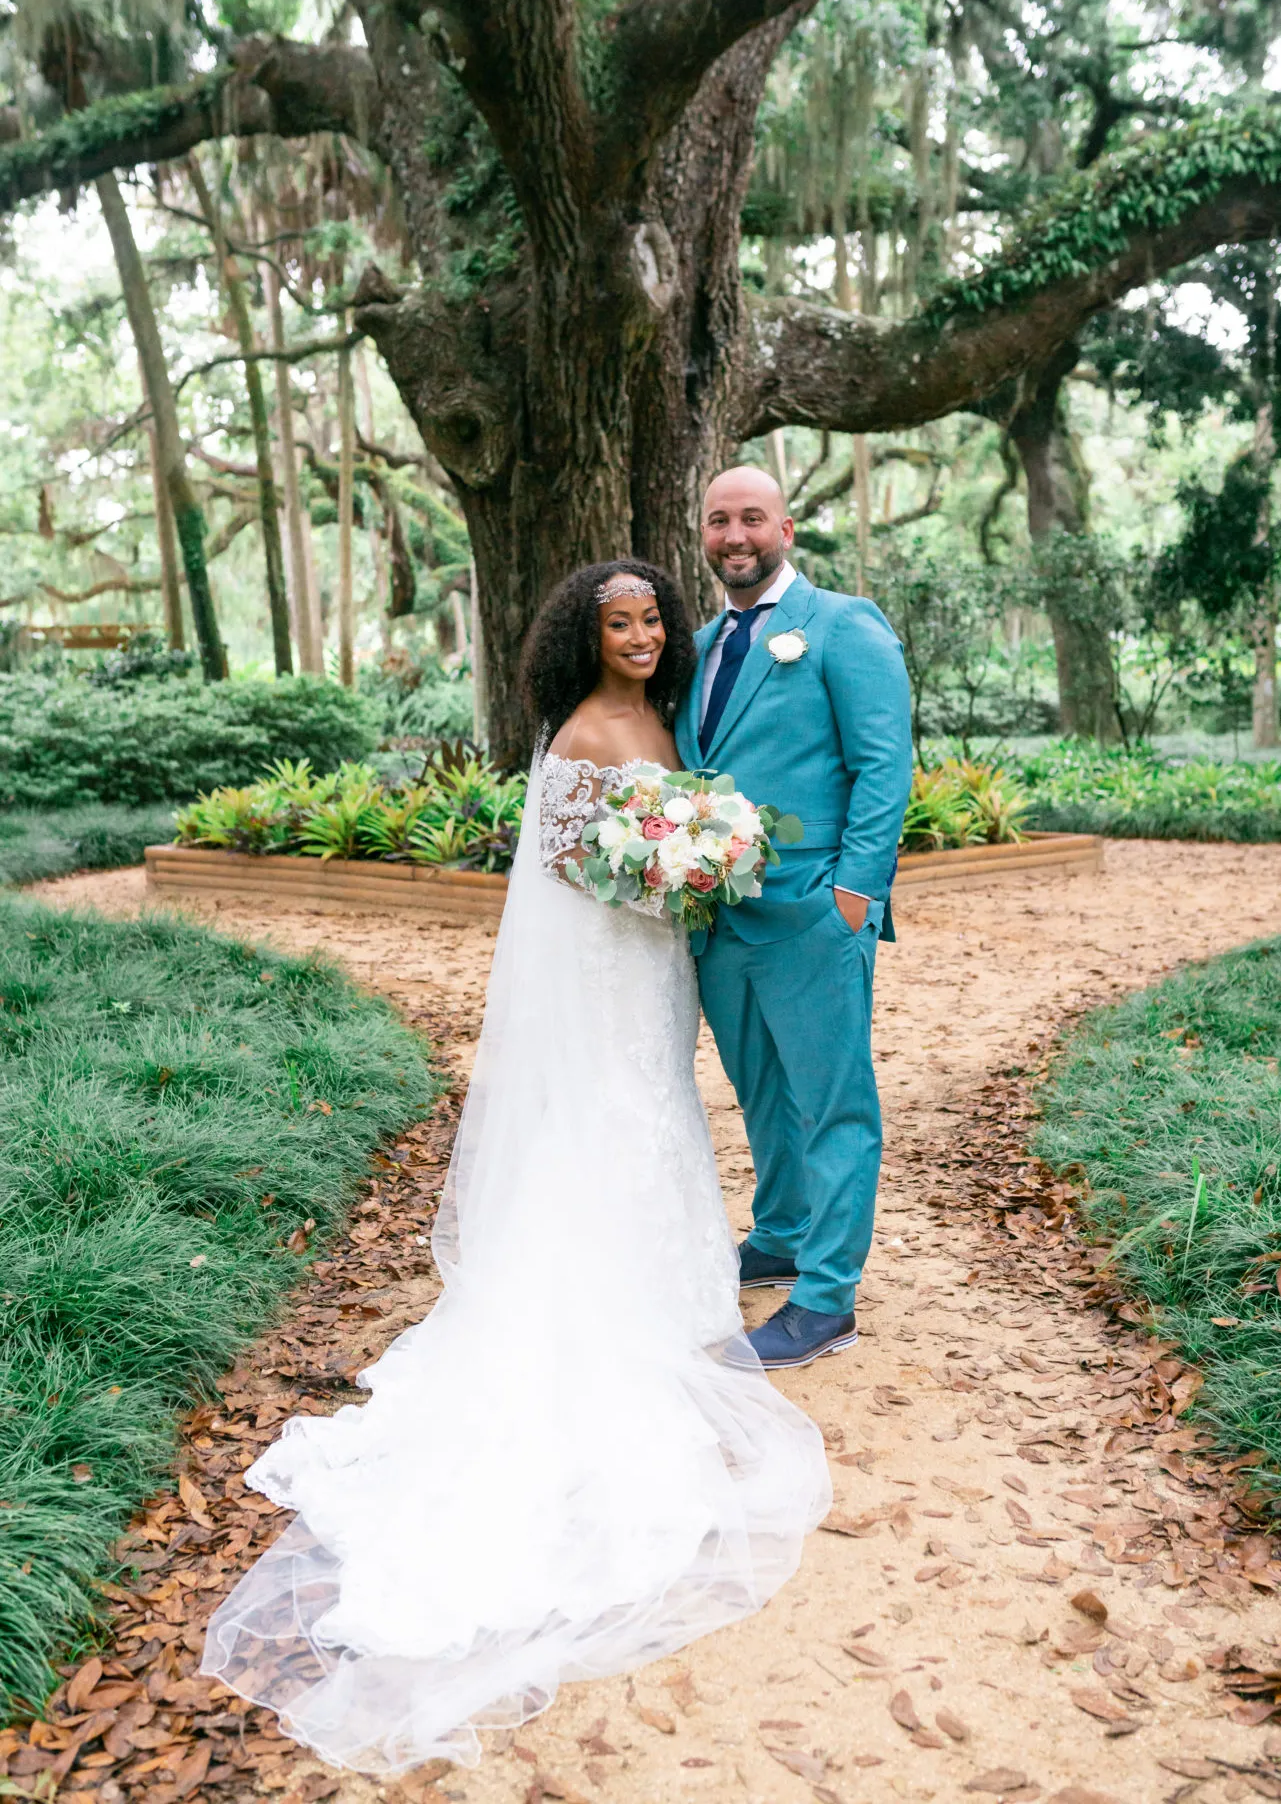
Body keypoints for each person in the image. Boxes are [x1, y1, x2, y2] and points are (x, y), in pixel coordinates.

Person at [201, 558, 831, 1776]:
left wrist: (692, 858)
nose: (641, 634)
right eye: (619, 621)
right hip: (604, 978)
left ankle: (671, 1302)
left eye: (652, 617)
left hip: (656, 975)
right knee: (610, 1133)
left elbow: (656, 841)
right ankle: (604, 1324)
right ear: (580, 637)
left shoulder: (662, 713)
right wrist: (662, 865)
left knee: (660, 1124)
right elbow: (559, 868)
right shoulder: (585, 731)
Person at [676, 467, 913, 1370]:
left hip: (814, 913)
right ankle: (777, 1234)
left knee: (832, 1104)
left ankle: (824, 1300)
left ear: (784, 526)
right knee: (762, 1094)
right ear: (702, 534)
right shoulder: (697, 644)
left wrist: (854, 894)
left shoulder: (842, 626)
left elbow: (883, 766)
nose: (734, 535)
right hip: (721, 919)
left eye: (750, 519)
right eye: (716, 521)